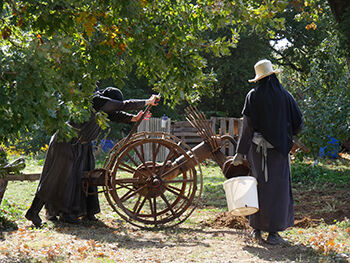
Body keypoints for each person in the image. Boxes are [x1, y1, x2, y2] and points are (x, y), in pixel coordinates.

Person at [25, 87, 159, 227]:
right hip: (65, 142)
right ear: (108, 100)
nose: (113, 107)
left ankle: (79, 212)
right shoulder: (96, 101)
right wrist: (147, 101)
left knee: (85, 177)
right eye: (112, 104)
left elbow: (116, 114)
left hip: (82, 144)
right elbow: (122, 105)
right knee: (56, 177)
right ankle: (33, 212)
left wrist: (133, 118)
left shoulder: (102, 111)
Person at [232, 59, 303, 245]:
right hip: (279, 152)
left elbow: (247, 127)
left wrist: (240, 153)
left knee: (258, 188)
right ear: (273, 76)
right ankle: (273, 234)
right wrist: (284, 134)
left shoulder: (253, 95)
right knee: (278, 190)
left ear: (259, 79)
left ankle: (256, 229)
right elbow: (298, 122)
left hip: (257, 151)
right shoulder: (285, 96)